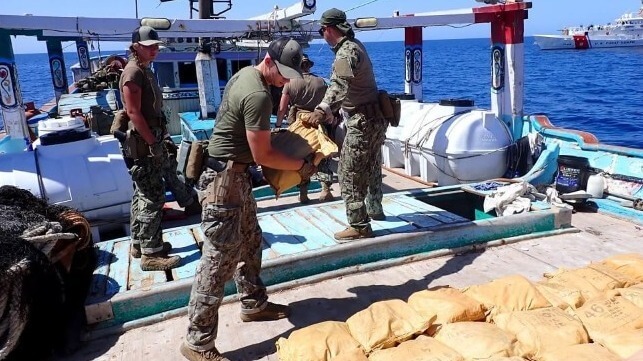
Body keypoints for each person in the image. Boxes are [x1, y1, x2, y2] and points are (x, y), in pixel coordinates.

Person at [180, 37, 316, 361]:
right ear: (268, 61)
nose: (285, 80)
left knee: (251, 241)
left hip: (236, 177)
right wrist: (302, 166)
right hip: (224, 182)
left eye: (289, 75)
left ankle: (253, 303)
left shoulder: (245, 74)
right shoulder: (258, 94)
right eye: (282, 73)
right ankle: (197, 343)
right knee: (216, 263)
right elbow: (264, 154)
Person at [304, 8, 389, 241]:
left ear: (329, 29)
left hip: (361, 122)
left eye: (322, 30)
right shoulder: (357, 45)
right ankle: (375, 208)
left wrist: (322, 110)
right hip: (375, 119)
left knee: (348, 172)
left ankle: (359, 225)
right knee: (372, 165)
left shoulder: (345, 53)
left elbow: (338, 86)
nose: (322, 35)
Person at [120, 26, 180, 270]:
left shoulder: (143, 70)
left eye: (156, 46)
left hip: (150, 137)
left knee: (142, 193)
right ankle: (151, 253)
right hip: (145, 142)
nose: (154, 50)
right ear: (136, 47)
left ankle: (139, 243)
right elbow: (133, 112)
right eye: (149, 46)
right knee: (152, 196)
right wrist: (153, 143)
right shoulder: (134, 73)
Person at [276, 53, 335, 204]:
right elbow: (330, 105)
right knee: (322, 155)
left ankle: (303, 193)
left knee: (302, 158)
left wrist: (278, 125)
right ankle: (326, 190)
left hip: (299, 125)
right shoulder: (321, 82)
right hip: (318, 124)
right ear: (309, 65)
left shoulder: (290, 83)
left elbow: (282, 108)